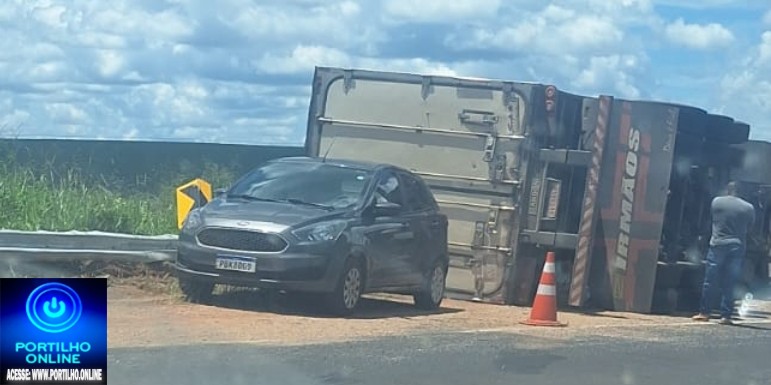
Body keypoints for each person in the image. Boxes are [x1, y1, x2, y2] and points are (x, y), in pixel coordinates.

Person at [693, 182, 755, 325]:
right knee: (730, 282)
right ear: (741, 192)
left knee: (710, 280)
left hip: (717, 244)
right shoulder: (748, 207)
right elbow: (750, 227)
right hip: (737, 245)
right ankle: (726, 316)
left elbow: (711, 220)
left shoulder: (717, 202)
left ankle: (704, 312)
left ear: (728, 190)